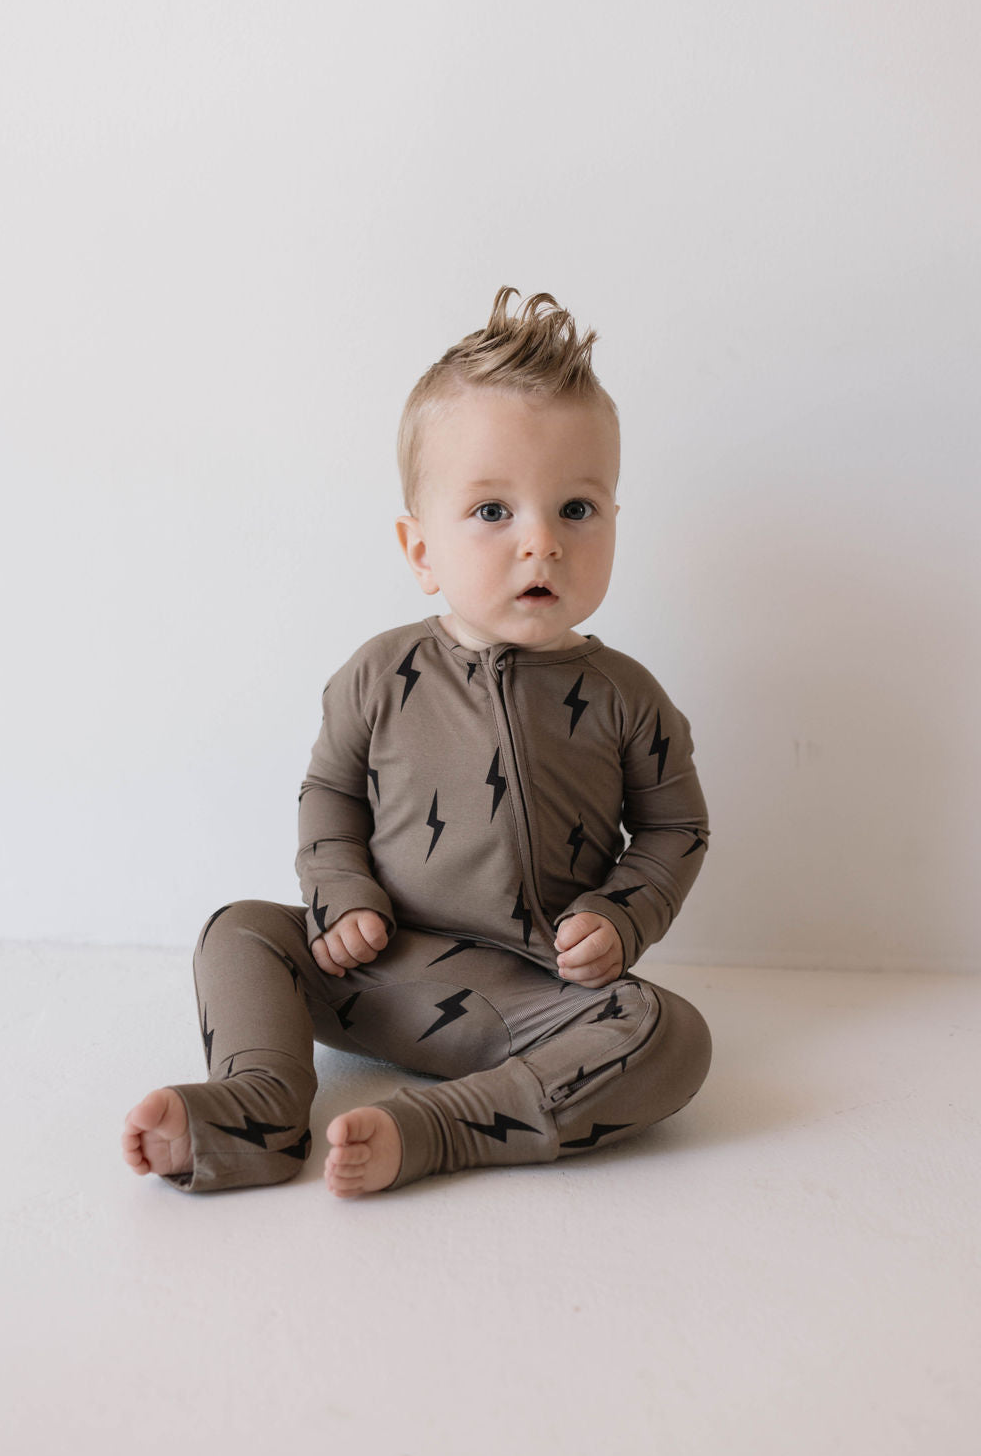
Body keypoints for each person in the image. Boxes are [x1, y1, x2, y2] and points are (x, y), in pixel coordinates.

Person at [121, 287, 712, 1198]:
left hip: (535, 997)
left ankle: (438, 1127)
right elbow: (329, 795)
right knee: (239, 930)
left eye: (577, 508)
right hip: (374, 966)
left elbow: (676, 828)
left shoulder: (627, 697)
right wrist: (340, 896)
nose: (542, 543)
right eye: (493, 511)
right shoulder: (377, 674)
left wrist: (622, 915)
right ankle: (259, 1102)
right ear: (420, 548)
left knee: (670, 1033)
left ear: (614, 522)